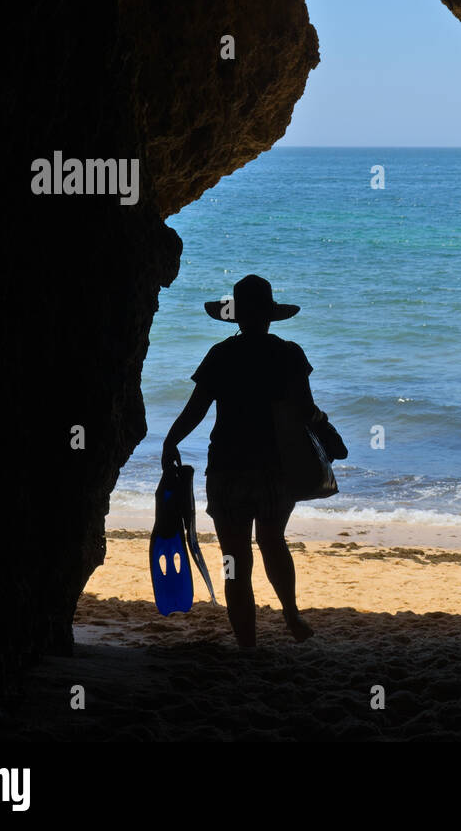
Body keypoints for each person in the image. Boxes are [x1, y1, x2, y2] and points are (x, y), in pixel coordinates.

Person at [161, 274, 336, 646]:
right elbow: (306, 409)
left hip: (226, 469)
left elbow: (195, 410)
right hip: (275, 468)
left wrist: (170, 442)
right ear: (271, 315)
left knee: (234, 559)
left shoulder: (222, 355)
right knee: (273, 541)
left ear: (235, 317)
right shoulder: (288, 354)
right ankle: (290, 614)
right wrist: (326, 428)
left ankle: (246, 645)